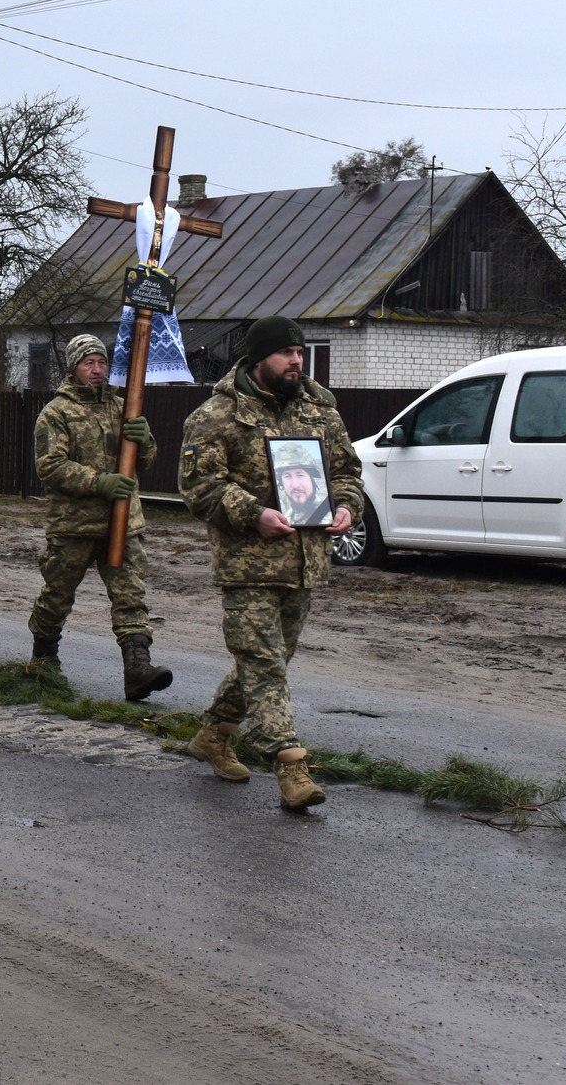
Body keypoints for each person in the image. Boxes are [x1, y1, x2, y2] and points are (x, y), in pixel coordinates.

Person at [180, 316, 364, 810]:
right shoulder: (215, 415)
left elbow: (347, 470)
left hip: (304, 561)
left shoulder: (318, 408)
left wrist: (347, 505)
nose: (297, 361)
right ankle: (290, 765)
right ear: (259, 358)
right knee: (264, 664)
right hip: (247, 565)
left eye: (300, 352)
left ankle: (215, 735)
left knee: (268, 659)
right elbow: (200, 488)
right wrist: (253, 513)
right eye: (286, 353)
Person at [26, 334, 171, 700]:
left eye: (101, 362)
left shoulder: (124, 406)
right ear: (74, 367)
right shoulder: (56, 413)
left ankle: (137, 670)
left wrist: (145, 439)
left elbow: (146, 462)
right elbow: (51, 467)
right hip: (74, 525)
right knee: (57, 596)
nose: (96, 369)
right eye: (88, 362)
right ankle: (43, 658)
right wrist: (99, 482)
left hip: (123, 522)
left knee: (130, 597)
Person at [275, 461, 332, 527]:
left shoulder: (332, 512)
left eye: (300, 475)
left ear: (311, 479)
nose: (295, 485)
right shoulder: (286, 519)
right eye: (287, 476)